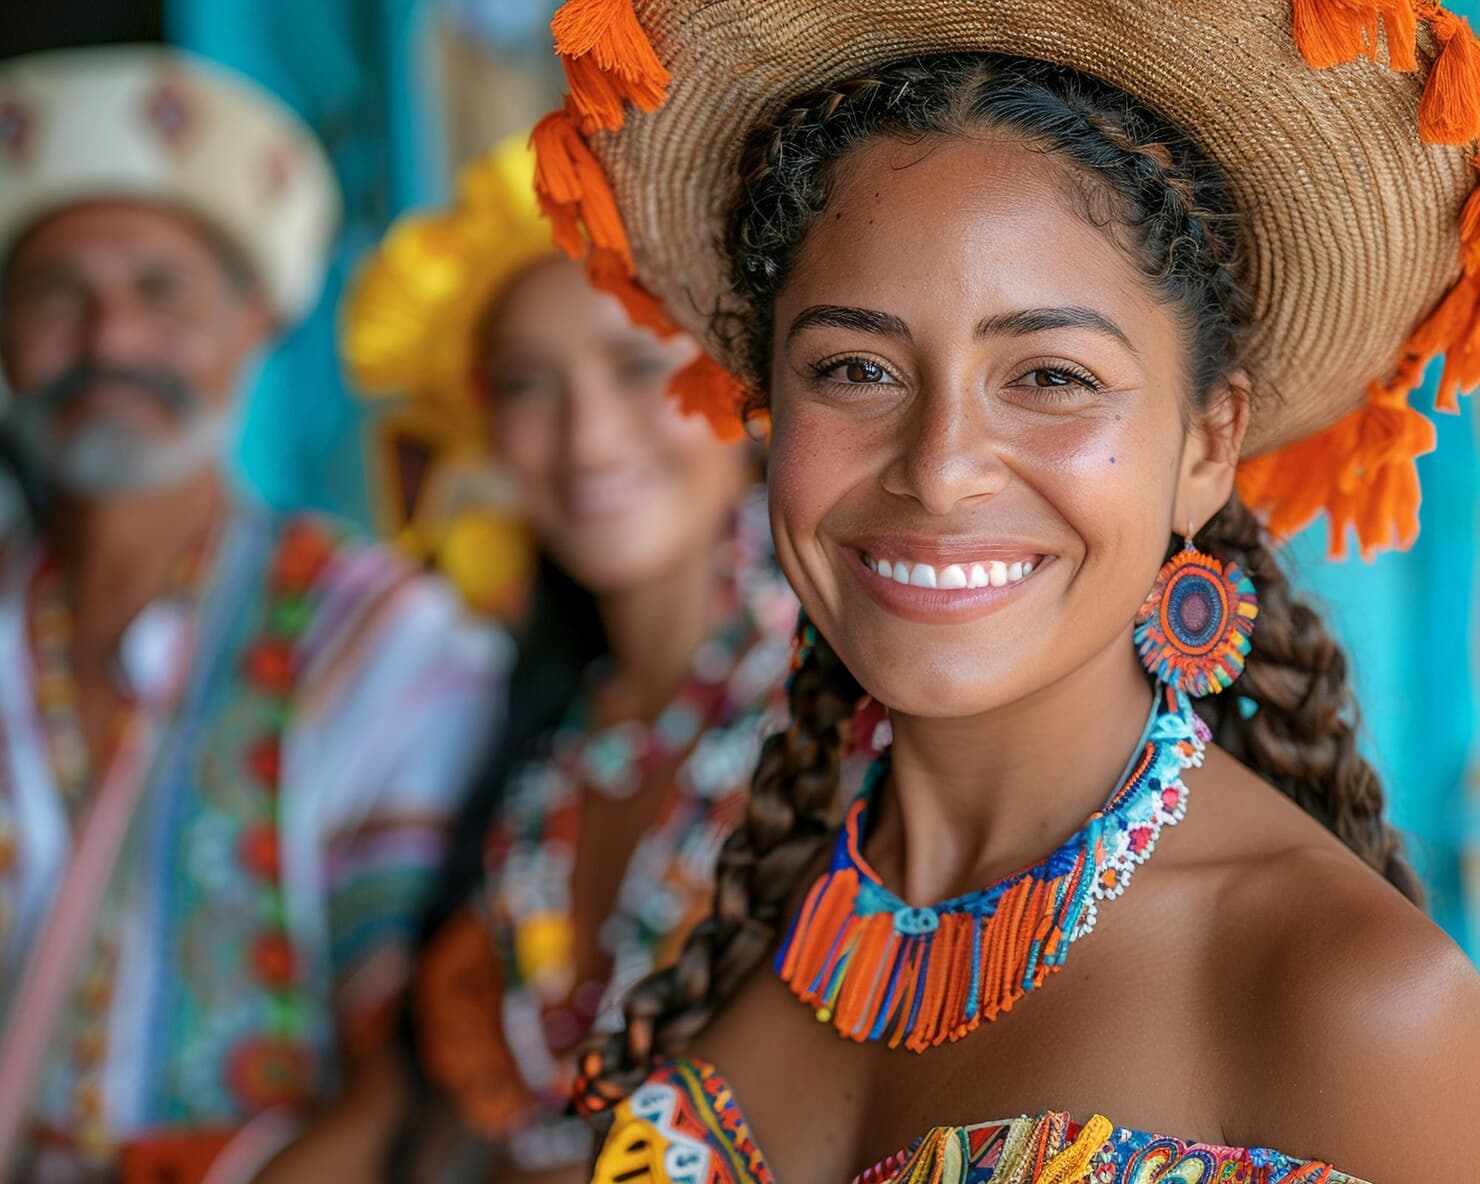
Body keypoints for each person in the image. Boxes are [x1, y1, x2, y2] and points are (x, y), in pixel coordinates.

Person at [522, 2, 1480, 1182]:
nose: (937, 468)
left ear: (1205, 445)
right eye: (856, 368)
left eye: (1050, 376)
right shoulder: (712, 895)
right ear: (766, 405)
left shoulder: (1350, 994)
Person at [0, 46, 506, 1182]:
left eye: (161, 291)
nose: (110, 341)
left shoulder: (383, 642)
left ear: (253, 325)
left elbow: (413, 1062)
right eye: (57, 294)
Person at [259, 136, 795, 1182]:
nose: (587, 436)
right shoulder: (539, 746)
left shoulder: (853, 709)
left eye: (637, 366)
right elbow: (405, 1105)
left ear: (744, 389)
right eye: (527, 385)